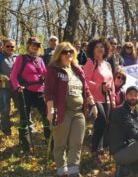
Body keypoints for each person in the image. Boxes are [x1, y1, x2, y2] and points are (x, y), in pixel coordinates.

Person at [44, 42, 98, 177]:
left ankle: (74, 171)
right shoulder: (53, 69)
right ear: (59, 54)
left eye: (70, 51)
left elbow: (85, 89)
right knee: (60, 144)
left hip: (79, 112)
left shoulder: (77, 69)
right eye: (64, 52)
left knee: (77, 143)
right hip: (62, 111)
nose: (68, 54)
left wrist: (93, 104)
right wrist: (50, 110)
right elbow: (48, 91)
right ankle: (62, 170)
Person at [10, 37, 49, 152]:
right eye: (33, 45)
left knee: (46, 116)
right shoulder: (21, 58)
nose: (35, 47)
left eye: (37, 45)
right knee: (25, 118)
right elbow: (13, 76)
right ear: (28, 45)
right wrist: (17, 87)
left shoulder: (40, 60)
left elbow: (45, 74)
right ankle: (24, 143)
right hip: (25, 91)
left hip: (40, 91)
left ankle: (49, 140)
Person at [83, 37, 116, 164]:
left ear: (105, 49)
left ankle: (100, 148)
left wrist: (112, 98)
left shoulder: (107, 64)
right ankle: (95, 151)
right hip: (94, 98)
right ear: (92, 49)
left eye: (102, 47)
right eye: (97, 47)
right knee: (101, 120)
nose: (99, 49)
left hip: (107, 99)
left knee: (104, 124)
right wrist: (99, 86)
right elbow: (85, 80)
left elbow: (111, 82)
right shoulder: (90, 62)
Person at [0, 39, 18, 136]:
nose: (10, 48)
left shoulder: (18, 57)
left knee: (22, 107)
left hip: (16, 87)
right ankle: (6, 130)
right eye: (8, 46)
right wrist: (0, 75)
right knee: (5, 109)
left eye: (12, 46)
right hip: (3, 87)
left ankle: (25, 129)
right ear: (3, 47)